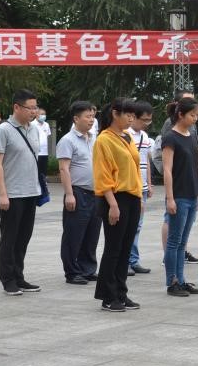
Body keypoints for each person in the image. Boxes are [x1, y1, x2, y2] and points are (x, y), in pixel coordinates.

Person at [93, 98, 143, 312]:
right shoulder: (104, 140)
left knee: (125, 248)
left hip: (132, 197)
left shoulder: (127, 137)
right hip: (114, 197)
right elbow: (102, 175)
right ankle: (108, 296)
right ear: (115, 114)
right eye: (128, 114)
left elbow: (135, 169)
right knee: (113, 248)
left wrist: (139, 197)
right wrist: (113, 205)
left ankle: (121, 293)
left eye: (133, 115)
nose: (131, 119)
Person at [0, 90, 41, 296]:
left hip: (30, 192)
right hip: (12, 194)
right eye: (30, 108)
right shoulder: (3, 130)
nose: (34, 111)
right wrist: (3, 194)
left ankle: (19, 277)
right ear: (17, 107)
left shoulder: (34, 129)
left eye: (36, 108)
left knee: (23, 238)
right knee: (9, 239)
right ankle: (8, 280)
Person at [58, 100, 102, 285]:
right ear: (76, 119)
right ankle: (72, 272)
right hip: (78, 192)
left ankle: (88, 269)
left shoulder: (94, 138)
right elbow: (64, 168)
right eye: (87, 116)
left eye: (93, 116)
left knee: (92, 234)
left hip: (96, 193)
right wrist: (69, 194)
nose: (91, 120)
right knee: (73, 235)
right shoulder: (67, 140)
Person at [162, 97, 198, 297]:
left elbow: (193, 168)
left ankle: (181, 279)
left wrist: (197, 194)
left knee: (182, 242)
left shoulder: (191, 136)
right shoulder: (170, 137)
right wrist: (170, 198)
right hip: (178, 195)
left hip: (191, 194)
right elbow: (167, 170)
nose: (195, 118)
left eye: (196, 115)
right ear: (180, 115)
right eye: (192, 115)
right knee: (174, 241)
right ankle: (172, 282)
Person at [126, 101, 153, 275]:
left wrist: (149, 183)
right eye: (144, 120)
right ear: (134, 117)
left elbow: (146, 161)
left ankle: (133, 260)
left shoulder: (144, 136)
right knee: (129, 226)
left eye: (149, 120)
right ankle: (126, 261)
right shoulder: (125, 135)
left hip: (142, 187)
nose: (147, 123)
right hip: (130, 187)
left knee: (137, 225)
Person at [33, 107, 52, 202]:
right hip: (36, 153)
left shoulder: (46, 125)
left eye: (44, 114)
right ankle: (35, 189)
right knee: (36, 171)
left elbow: (47, 136)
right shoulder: (32, 124)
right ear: (36, 114)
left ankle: (44, 189)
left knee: (43, 172)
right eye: (41, 114)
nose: (43, 116)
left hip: (44, 152)